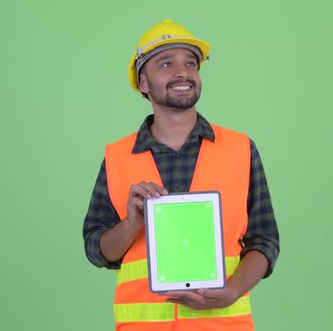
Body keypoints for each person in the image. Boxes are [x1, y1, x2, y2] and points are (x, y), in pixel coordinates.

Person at [83, 19, 280, 331]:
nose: (184, 72)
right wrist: (131, 223)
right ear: (143, 82)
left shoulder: (240, 149)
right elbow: (97, 250)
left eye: (191, 63)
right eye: (166, 64)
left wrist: (231, 292)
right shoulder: (117, 157)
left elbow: (265, 240)